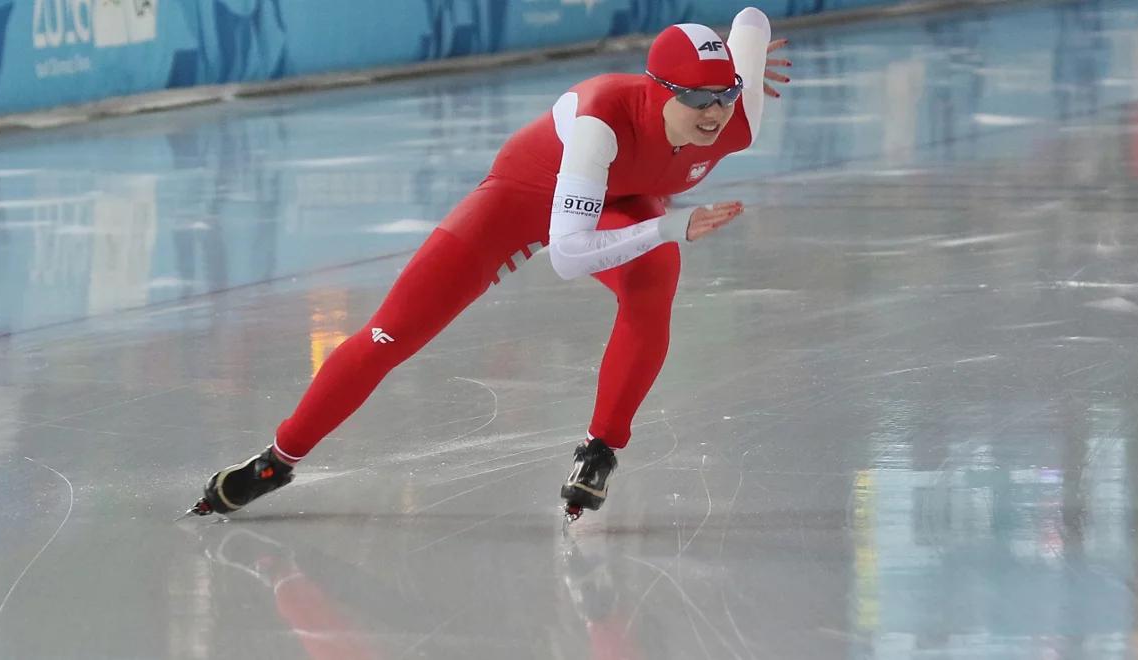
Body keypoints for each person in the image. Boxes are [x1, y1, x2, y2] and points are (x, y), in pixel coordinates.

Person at [189, 7, 789, 521]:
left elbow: (751, 24)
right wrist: (673, 224)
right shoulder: (599, 122)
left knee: (656, 273)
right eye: (696, 99)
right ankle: (277, 461)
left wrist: (748, 74)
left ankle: (600, 450)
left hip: (622, 201)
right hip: (522, 197)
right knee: (390, 333)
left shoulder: (740, 118)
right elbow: (568, 254)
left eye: (725, 95)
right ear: (659, 90)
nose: (714, 113)